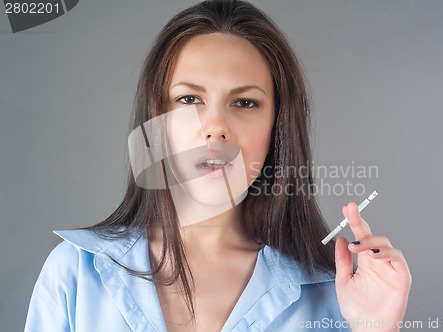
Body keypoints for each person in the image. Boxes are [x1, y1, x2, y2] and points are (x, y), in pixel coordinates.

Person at [25, 1, 411, 331]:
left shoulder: (337, 295)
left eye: (245, 103)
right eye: (189, 99)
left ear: (278, 127)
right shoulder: (75, 273)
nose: (215, 129)